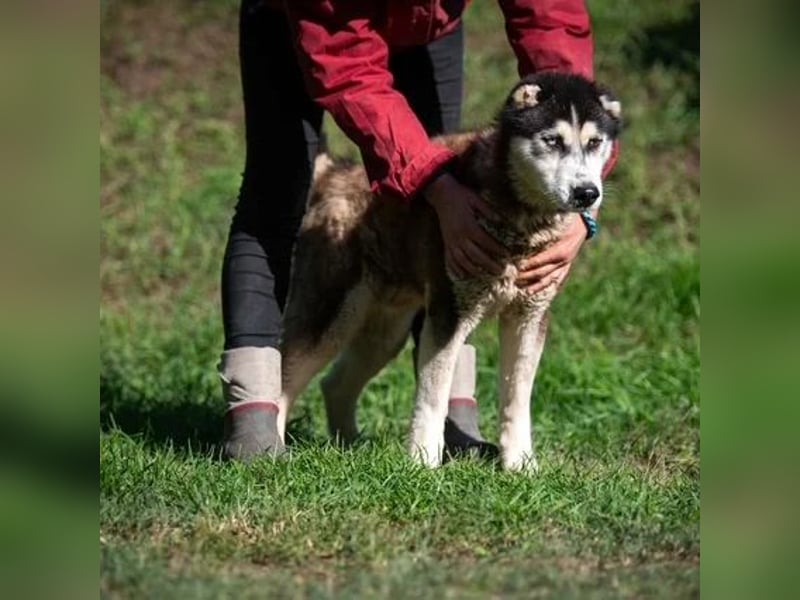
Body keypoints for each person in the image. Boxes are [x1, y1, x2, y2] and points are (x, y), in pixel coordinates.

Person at [219, 0, 617, 460]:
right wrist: (435, 185)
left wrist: (579, 196)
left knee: (448, 237)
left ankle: (453, 419)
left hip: (430, 23)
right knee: (278, 189)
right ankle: (254, 414)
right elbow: (346, 65)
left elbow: (551, 16)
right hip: (309, 18)